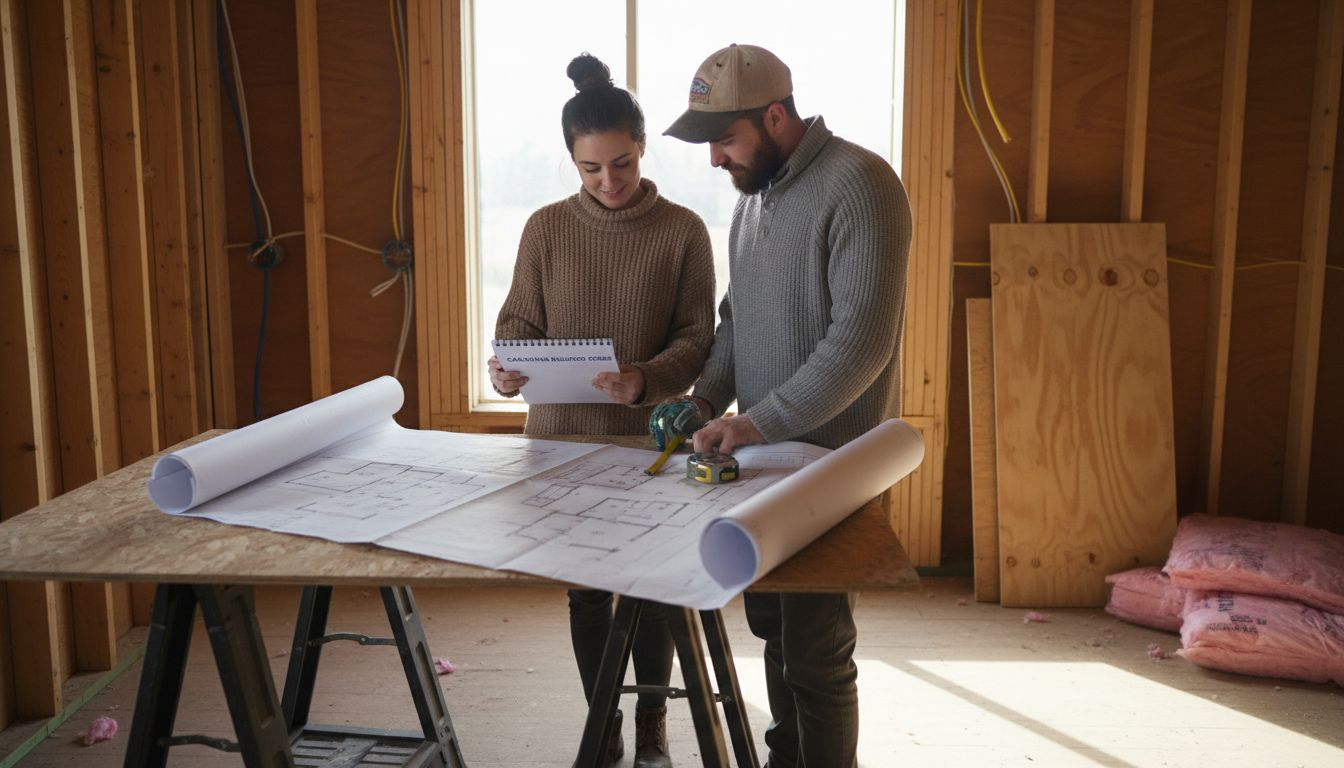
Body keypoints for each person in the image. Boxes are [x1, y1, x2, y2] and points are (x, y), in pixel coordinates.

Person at [663, 44, 912, 768]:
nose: (715, 158)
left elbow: (860, 345)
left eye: (725, 138)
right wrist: (705, 400)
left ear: (776, 117)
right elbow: (737, 322)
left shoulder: (861, 184)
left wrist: (753, 422)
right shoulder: (753, 200)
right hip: (766, 463)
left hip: (831, 470)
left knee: (817, 654)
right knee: (774, 629)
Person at [490, 53, 716, 768]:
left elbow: (698, 340)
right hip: (559, 445)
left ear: (643, 148)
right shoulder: (545, 228)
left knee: (652, 592)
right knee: (586, 596)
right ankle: (604, 725)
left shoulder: (683, 230)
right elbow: (518, 325)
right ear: (572, 161)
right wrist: (504, 372)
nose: (609, 182)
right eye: (591, 169)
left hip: (647, 445)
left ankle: (652, 721)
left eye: (621, 163)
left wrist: (645, 379)